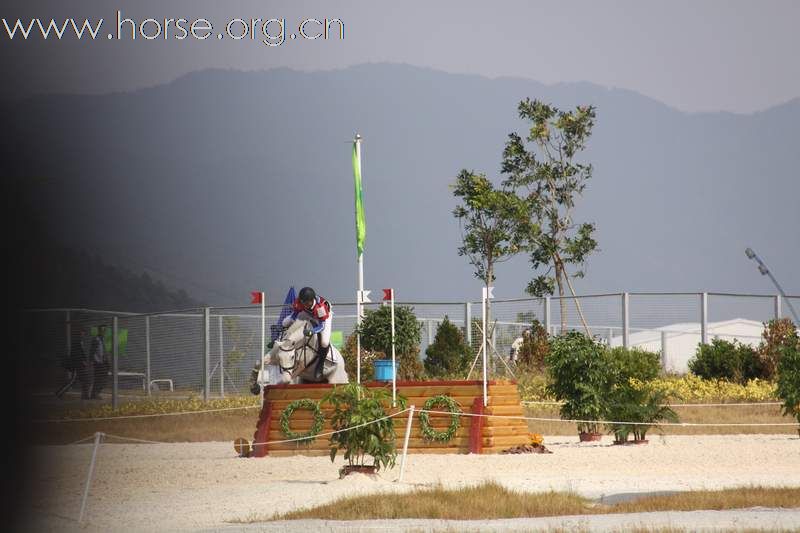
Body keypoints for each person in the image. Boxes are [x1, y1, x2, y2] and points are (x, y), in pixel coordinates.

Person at [282, 287, 332, 380]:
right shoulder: (300, 302)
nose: (305, 304)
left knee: (324, 342)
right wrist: (288, 324)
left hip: (322, 318)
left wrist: (312, 331)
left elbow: (321, 326)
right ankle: (280, 340)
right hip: (308, 313)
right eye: (303, 302)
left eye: (307, 302)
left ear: (312, 300)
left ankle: (320, 366)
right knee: (285, 322)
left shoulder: (320, 307)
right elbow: (294, 315)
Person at [55, 326, 87, 398]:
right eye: (81, 334)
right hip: (77, 365)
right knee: (73, 381)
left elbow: (81, 353)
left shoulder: (81, 342)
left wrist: (84, 361)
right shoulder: (76, 342)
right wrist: (82, 361)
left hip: (80, 365)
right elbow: (76, 354)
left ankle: (85, 395)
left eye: (83, 334)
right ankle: (59, 393)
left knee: (84, 379)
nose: (82, 335)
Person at [90, 325, 108, 399]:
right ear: (99, 331)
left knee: (103, 378)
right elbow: (92, 351)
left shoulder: (103, 339)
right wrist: (93, 361)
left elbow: (103, 350)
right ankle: (94, 394)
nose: (103, 332)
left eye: (104, 330)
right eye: (102, 330)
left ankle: (96, 393)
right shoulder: (96, 339)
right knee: (99, 378)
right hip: (98, 362)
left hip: (103, 362)